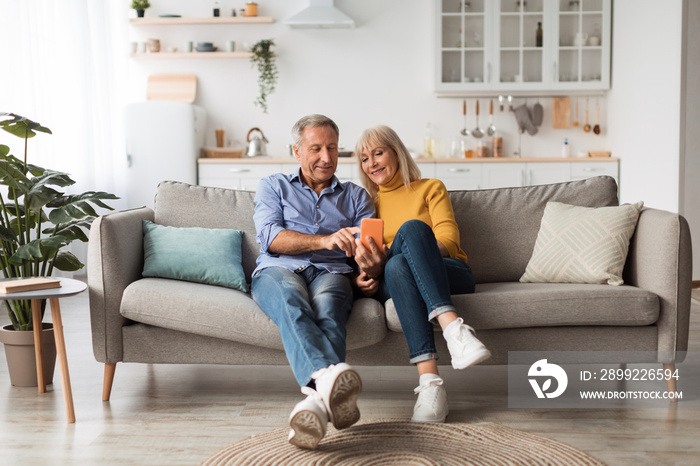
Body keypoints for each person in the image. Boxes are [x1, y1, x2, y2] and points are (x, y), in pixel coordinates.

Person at [251, 114, 375, 450]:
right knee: (291, 302)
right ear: (297, 151)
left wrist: (369, 270)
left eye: (332, 148)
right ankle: (325, 379)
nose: (326, 157)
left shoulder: (357, 197)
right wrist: (324, 241)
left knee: (329, 308)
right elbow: (271, 238)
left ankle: (314, 406)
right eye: (316, 148)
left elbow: (369, 248)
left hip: (332, 273)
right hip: (279, 269)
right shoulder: (273, 185)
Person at [353, 125, 490, 423]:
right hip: (392, 281)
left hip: (450, 272)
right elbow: (365, 256)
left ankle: (432, 380)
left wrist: (400, 250)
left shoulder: (431, 188)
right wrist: (360, 276)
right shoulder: (367, 205)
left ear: (396, 152)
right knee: (396, 265)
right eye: (364, 158)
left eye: (378, 153)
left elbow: (450, 243)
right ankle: (452, 337)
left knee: (411, 235)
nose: (372, 163)